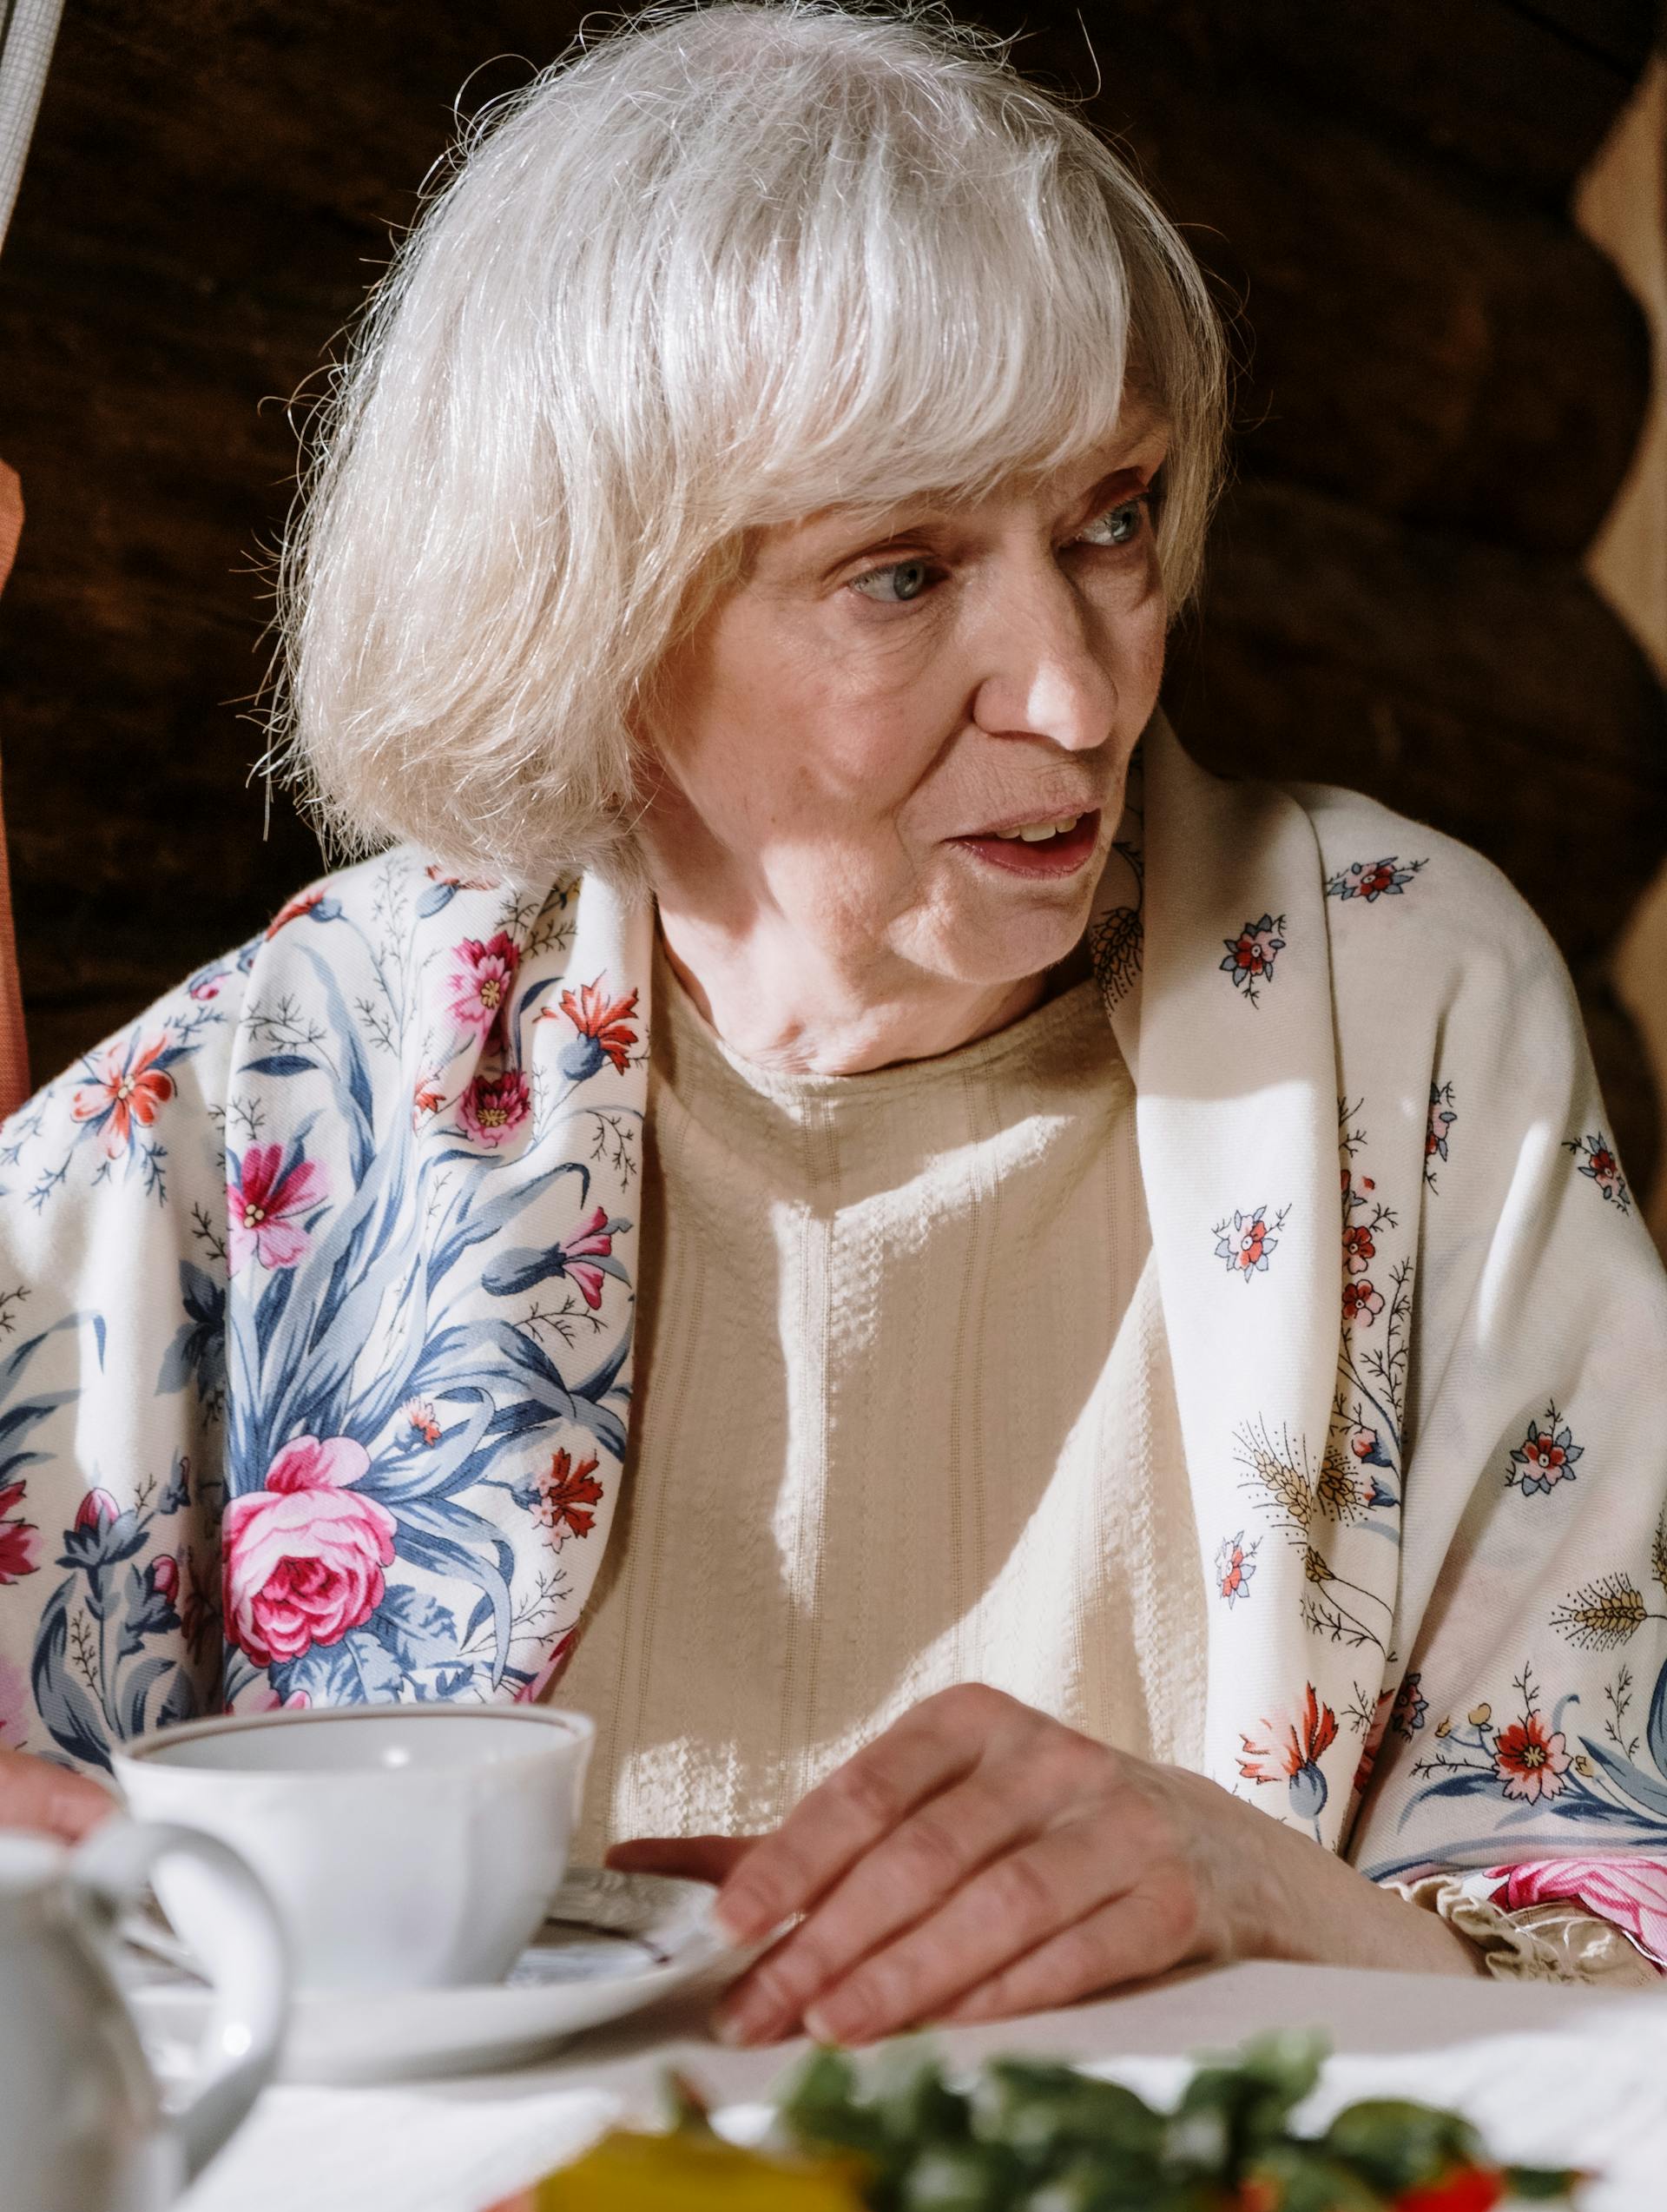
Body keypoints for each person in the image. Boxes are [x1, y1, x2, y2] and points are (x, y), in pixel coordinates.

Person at [3, 1, 1664, 2033]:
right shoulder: (305, 1065)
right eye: (904, 572)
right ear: (597, 622)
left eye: (1113, 520)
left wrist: (1256, 1883)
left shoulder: (1405, 1001)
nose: (1077, 692)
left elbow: (1612, 1900)